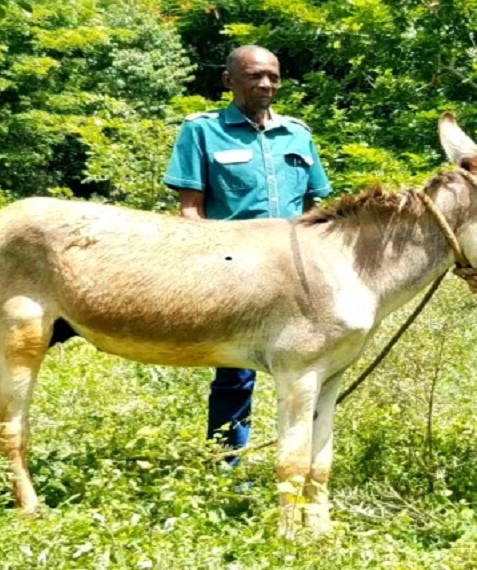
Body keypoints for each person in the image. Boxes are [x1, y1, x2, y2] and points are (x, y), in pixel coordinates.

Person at [162, 45, 332, 464]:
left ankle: (296, 457)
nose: (266, 84)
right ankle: (226, 463)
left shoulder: (297, 133)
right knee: (235, 371)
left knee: (306, 368)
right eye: (255, 76)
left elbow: (315, 206)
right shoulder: (202, 131)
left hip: (295, 271)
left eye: (273, 76)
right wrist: (202, 265)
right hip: (235, 269)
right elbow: (190, 208)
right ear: (229, 81)